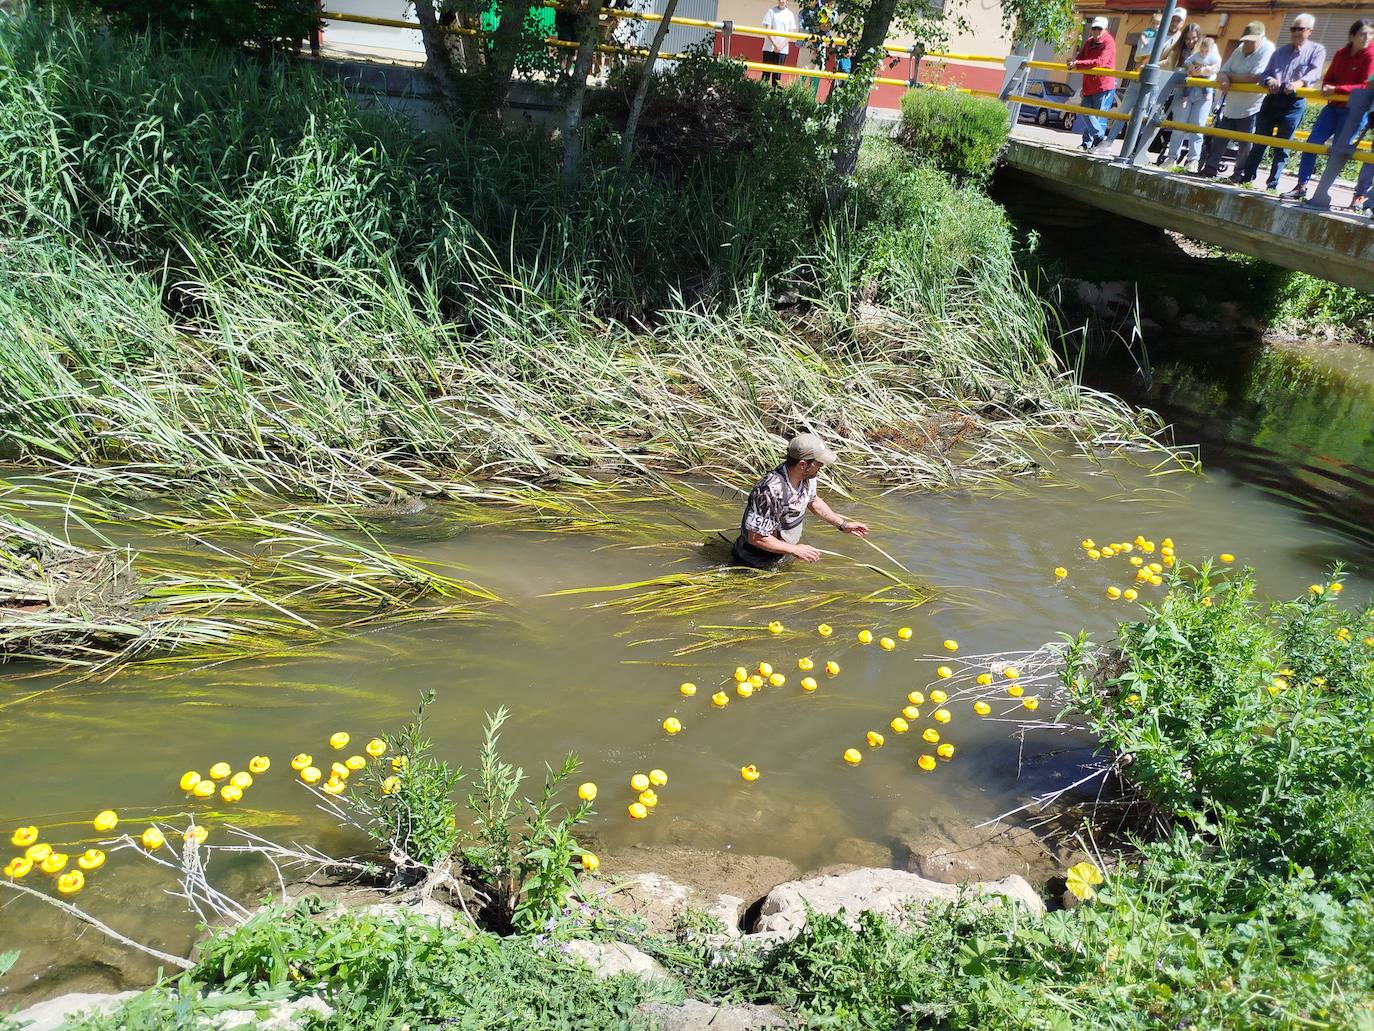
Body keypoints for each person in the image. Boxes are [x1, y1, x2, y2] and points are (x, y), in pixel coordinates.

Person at [732, 433, 868, 567]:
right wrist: (795, 550)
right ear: (802, 464)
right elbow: (756, 538)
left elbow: (813, 502)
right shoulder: (770, 491)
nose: (822, 466)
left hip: (783, 552)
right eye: (818, 463)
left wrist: (843, 525)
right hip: (755, 560)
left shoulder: (808, 477)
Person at [1232, 13, 1326, 190]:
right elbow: (1264, 74)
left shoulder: (1316, 50)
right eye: (1293, 28)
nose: (1295, 32)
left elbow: (1315, 73)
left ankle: (1272, 184)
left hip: (1294, 102)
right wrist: (1269, 81)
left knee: (1282, 145)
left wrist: (1298, 83)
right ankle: (1247, 179)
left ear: (1309, 31)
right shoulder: (1280, 52)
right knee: (1259, 141)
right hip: (1272, 99)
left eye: (1300, 29)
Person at [1282, 20, 1374, 200]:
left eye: (1371, 35)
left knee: (1338, 153)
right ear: (1352, 35)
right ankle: (1301, 186)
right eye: (1363, 34)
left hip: (1353, 112)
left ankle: (1332, 195)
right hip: (1333, 108)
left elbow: (1366, 86)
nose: (1367, 38)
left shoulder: (1371, 55)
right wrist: (1326, 87)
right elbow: (1329, 77)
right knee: (1312, 143)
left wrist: (1337, 90)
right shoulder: (1341, 53)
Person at [1198, 21, 1274, 178]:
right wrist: (1226, 79)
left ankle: (1239, 174)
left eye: (1251, 41)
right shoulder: (1239, 49)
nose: (1247, 44)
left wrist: (1230, 77)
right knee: (1220, 138)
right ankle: (1210, 168)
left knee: (1245, 143)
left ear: (1261, 38)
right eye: (1245, 40)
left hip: (1252, 106)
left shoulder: (1268, 50)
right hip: (1232, 104)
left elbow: (1256, 77)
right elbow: (1222, 72)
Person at [1101, 9, 1184, 151]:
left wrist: (1150, 62)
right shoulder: (1154, 32)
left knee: (1145, 116)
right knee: (1123, 110)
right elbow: (1138, 55)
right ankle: (1108, 142)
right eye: (1173, 19)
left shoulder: (1178, 40)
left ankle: (1134, 149)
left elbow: (1170, 62)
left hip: (1155, 81)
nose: (1174, 23)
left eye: (1178, 20)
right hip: (1139, 76)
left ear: (1182, 23)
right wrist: (1147, 58)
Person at [1165, 35, 1221, 169]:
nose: (1204, 53)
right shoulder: (1194, 54)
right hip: (1189, 88)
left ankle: (1193, 160)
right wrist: (1192, 68)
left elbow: (1215, 68)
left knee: (1198, 126)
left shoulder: (1214, 54)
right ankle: (1171, 157)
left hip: (1204, 92)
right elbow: (1187, 64)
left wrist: (1202, 70)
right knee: (1179, 125)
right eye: (1202, 50)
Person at [1069, 17, 1118, 150]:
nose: (1096, 31)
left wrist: (1077, 64)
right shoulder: (1089, 41)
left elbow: (1100, 62)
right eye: (1094, 28)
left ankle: (1091, 142)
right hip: (1089, 84)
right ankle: (1096, 140)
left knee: (1092, 116)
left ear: (1105, 29)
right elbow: (1081, 56)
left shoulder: (1109, 42)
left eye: (1099, 29)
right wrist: (1073, 61)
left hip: (1102, 84)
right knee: (1086, 113)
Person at [761, 0, 799, 87]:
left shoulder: (790, 14)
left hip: (783, 50)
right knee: (765, 75)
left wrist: (781, 46)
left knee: (777, 76)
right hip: (769, 48)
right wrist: (775, 44)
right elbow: (767, 29)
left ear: (787, 1)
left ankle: (775, 97)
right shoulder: (771, 11)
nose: (782, 1)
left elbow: (791, 33)